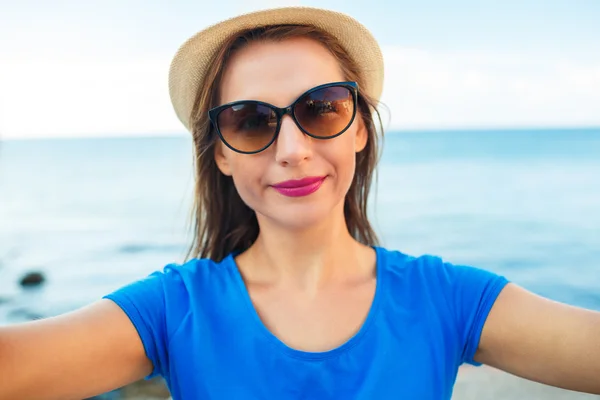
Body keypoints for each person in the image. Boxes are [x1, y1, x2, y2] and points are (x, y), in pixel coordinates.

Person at [1, 6, 599, 400]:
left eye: (321, 108)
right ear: (222, 155)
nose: (293, 149)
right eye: (251, 121)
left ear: (360, 129)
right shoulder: (174, 310)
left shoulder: (446, 300)